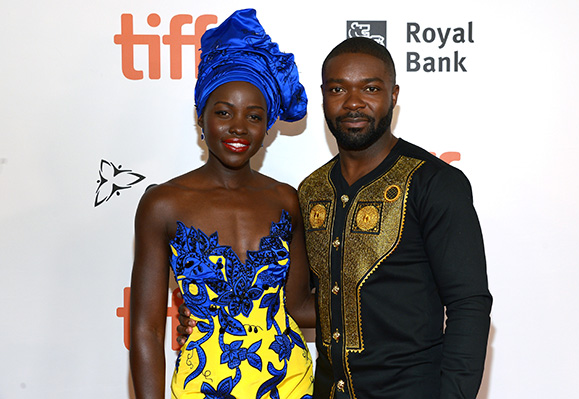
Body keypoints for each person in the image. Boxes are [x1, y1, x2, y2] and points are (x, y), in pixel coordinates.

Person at [178, 37, 492, 398]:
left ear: (393, 96)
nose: (353, 102)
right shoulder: (310, 191)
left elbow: (469, 304)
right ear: (324, 96)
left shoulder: (434, 182)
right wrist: (213, 314)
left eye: (370, 88)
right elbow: (304, 302)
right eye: (338, 89)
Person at [129, 9, 314, 399]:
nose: (238, 127)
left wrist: (388, 304)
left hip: (292, 384)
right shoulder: (162, 204)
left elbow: (298, 307)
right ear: (201, 117)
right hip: (203, 387)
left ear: (268, 127)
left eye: (254, 116)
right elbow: (146, 330)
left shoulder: (285, 198)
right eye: (223, 112)